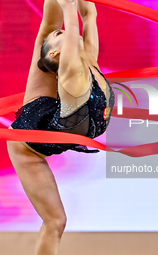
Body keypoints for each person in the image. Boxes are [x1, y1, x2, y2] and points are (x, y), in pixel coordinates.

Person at [7, 0, 114, 254]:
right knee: (56, 221)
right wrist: (68, 7)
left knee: (46, 31)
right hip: (27, 139)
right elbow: (70, 13)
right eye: (61, 35)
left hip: (51, 116)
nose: (65, 32)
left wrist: (73, 6)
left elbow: (89, 12)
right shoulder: (70, 73)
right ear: (57, 54)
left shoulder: (88, 57)